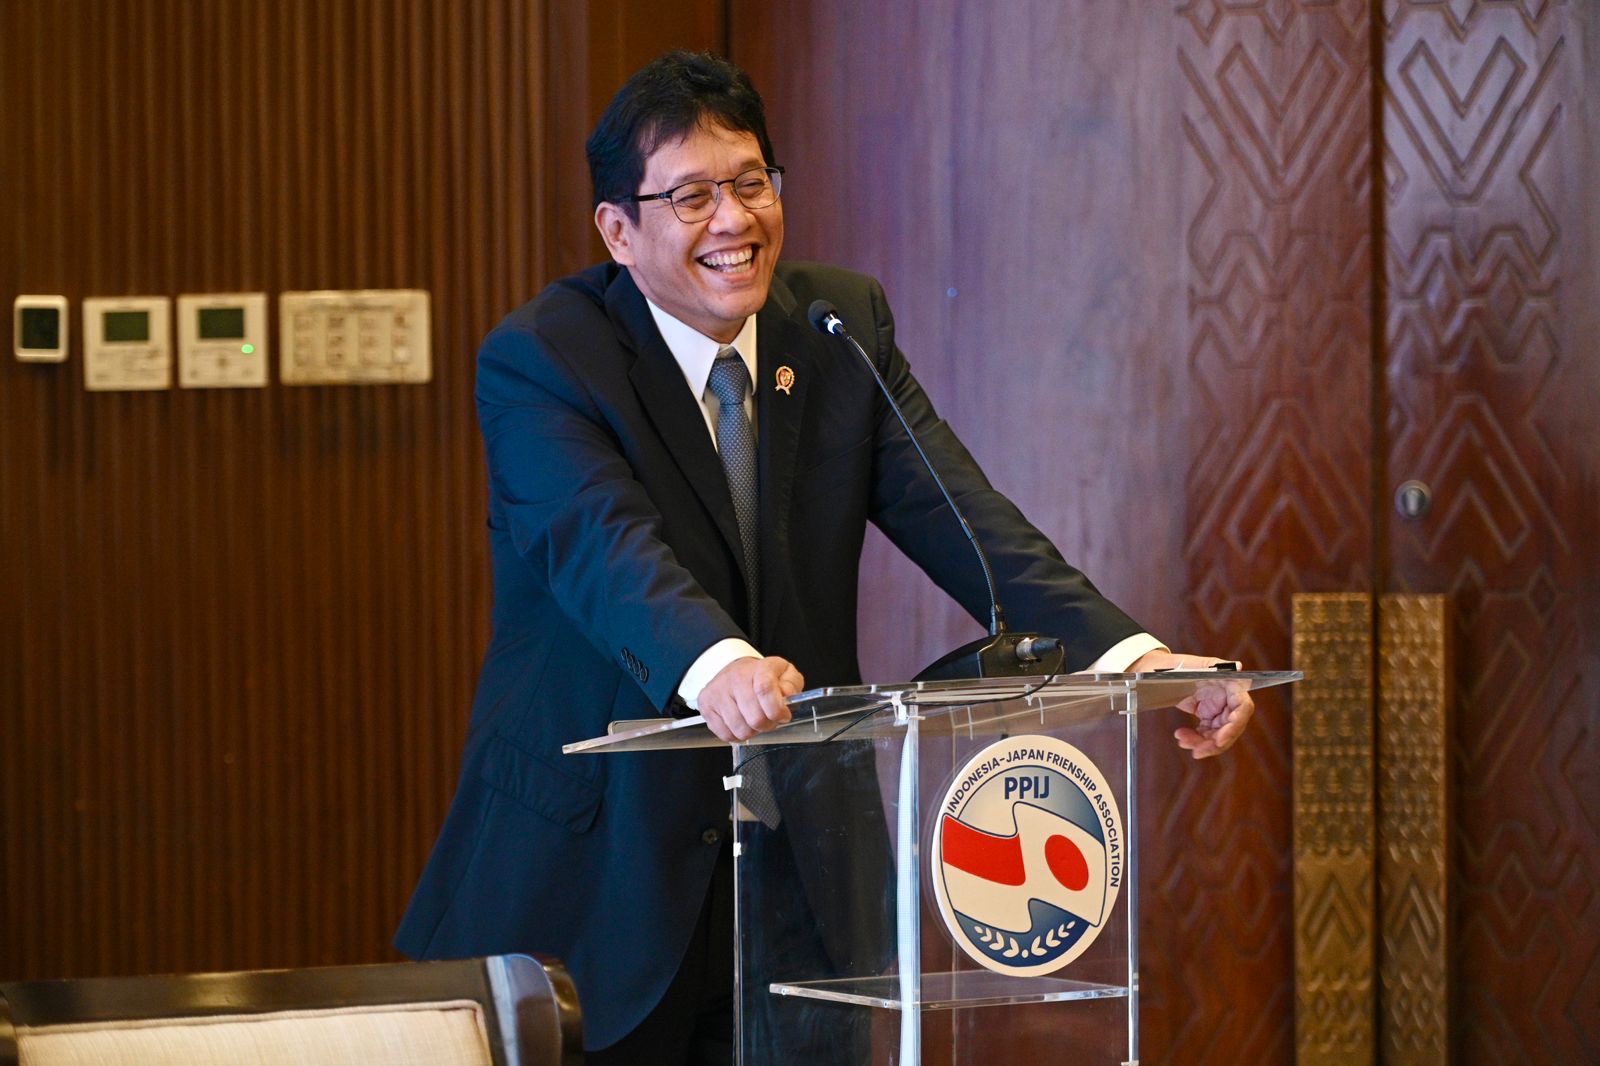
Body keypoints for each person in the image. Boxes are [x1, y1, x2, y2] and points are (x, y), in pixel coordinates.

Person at [395, 49, 1254, 1065]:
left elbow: (968, 521)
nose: (733, 220)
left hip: (801, 884)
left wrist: (1136, 660)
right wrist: (716, 665)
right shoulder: (545, 357)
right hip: (595, 889)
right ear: (618, 231)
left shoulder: (836, 329)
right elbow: (600, 543)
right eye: (692, 197)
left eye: (751, 183)